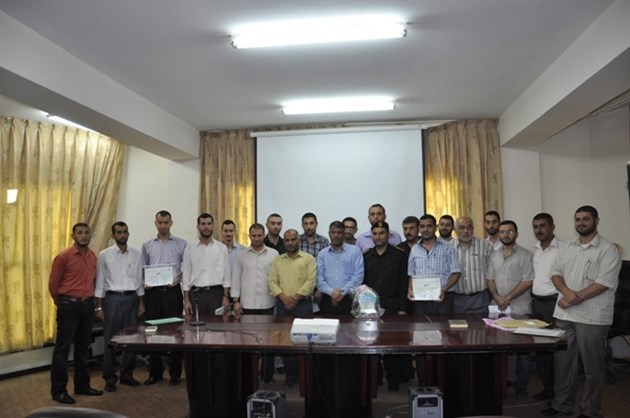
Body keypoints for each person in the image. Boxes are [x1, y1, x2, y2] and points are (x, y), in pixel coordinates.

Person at [542, 206, 622, 418]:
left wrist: (573, 298)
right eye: (578, 219)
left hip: (592, 317)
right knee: (563, 365)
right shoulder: (568, 247)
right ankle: (562, 407)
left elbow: (604, 282)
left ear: (596, 221)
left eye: (586, 219)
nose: (581, 223)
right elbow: (555, 273)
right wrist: (568, 293)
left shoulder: (608, 249)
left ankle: (590, 411)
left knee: (592, 369)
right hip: (565, 315)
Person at [48, 222, 103, 404]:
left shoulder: (93, 256)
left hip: (87, 307)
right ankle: (58, 390)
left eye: (86, 233)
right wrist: (64, 302)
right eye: (79, 233)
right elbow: (53, 286)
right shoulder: (63, 257)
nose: (84, 236)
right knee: (62, 350)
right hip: (69, 307)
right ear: (73, 236)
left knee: (82, 349)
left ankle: (82, 385)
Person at [95, 221, 144, 393]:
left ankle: (127, 374)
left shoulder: (136, 255)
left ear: (128, 234)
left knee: (131, 338)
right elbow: (100, 281)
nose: (122, 235)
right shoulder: (104, 255)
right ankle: (109, 377)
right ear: (113, 235)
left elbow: (139, 281)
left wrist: (141, 303)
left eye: (125, 232)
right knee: (111, 339)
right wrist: (98, 307)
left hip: (131, 299)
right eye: (119, 232)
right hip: (112, 300)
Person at [487, 220, 534, 400]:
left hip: (520, 309)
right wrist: (497, 296)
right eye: (502, 232)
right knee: (501, 348)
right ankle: (504, 381)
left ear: (516, 234)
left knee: (522, 351)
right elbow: (490, 279)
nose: (505, 235)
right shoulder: (494, 256)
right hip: (498, 309)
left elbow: (527, 281)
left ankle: (521, 386)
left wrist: (507, 298)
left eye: (509, 231)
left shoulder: (526, 255)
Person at [142, 210, 187, 386]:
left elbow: (187, 268)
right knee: (152, 332)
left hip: (172, 293)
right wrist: (145, 281)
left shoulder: (181, 244)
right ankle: (155, 372)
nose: (163, 225)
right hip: (153, 294)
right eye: (160, 222)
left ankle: (175, 373)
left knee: (175, 332)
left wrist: (178, 278)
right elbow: (144, 268)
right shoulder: (147, 245)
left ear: (171, 223)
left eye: (166, 222)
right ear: (155, 223)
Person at [268, 229, 317, 387]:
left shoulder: (308, 259)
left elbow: (311, 281)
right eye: (287, 240)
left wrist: (295, 298)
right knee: (285, 342)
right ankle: (291, 377)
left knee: (304, 342)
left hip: (303, 305)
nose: (290, 243)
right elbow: (272, 281)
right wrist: (284, 297)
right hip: (282, 305)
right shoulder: (278, 260)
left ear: (298, 240)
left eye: (293, 239)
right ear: (284, 242)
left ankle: (305, 377)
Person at [362, 221, 408, 391]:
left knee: (392, 344)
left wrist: (403, 308)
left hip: (393, 304)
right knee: (371, 343)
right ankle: (376, 378)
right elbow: (363, 283)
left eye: (382, 233)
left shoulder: (399, 255)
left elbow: (404, 283)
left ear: (388, 235)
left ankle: (393, 379)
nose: (378, 237)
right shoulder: (367, 256)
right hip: (371, 304)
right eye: (375, 234)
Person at [231, 223, 279, 383]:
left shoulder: (274, 254)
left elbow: (277, 278)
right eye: (254, 235)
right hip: (247, 305)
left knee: (268, 343)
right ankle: (249, 376)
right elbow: (235, 279)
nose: (257, 238)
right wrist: (235, 301)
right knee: (248, 342)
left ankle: (267, 376)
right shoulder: (241, 255)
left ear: (264, 235)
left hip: (268, 303)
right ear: (249, 236)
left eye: (259, 235)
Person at [530, 212, 563, 402]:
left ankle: (559, 395)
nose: (539, 230)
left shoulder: (562, 249)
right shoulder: (535, 250)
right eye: (535, 227)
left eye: (542, 226)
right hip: (537, 304)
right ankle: (548, 390)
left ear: (552, 227)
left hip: (554, 304)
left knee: (556, 350)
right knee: (541, 349)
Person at [407, 214, 461, 315]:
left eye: (429, 226)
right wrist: (410, 289)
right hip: (420, 299)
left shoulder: (447, 247)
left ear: (435, 227)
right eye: (422, 226)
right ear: (419, 228)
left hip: (443, 298)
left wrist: (444, 289)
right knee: (420, 325)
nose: (425, 229)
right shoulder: (414, 249)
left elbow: (456, 273)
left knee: (443, 325)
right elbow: (411, 274)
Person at [182, 213, 231, 318]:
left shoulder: (222, 248)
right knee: (197, 325)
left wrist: (225, 296)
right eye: (203, 224)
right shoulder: (190, 249)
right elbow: (186, 276)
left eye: (209, 224)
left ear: (213, 226)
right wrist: (186, 300)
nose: (206, 227)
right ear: (198, 227)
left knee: (217, 325)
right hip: (196, 294)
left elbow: (227, 275)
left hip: (217, 294)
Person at [317, 221, 365, 315]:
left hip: (349, 299)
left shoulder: (355, 251)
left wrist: (342, 293)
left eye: (339, 232)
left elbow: (358, 276)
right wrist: (332, 292)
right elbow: (320, 279)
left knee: (349, 324)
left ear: (343, 234)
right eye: (333, 232)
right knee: (327, 324)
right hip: (328, 299)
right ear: (329, 234)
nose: (336, 235)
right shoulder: (322, 254)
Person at [451, 216, 494, 314]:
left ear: (473, 229)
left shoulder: (485, 246)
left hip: (481, 299)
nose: (466, 231)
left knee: (481, 324)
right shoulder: (449, 247)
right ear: (455, 230)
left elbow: (492, 274)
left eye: (469, 227)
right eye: (461, 227)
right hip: (456, 300)